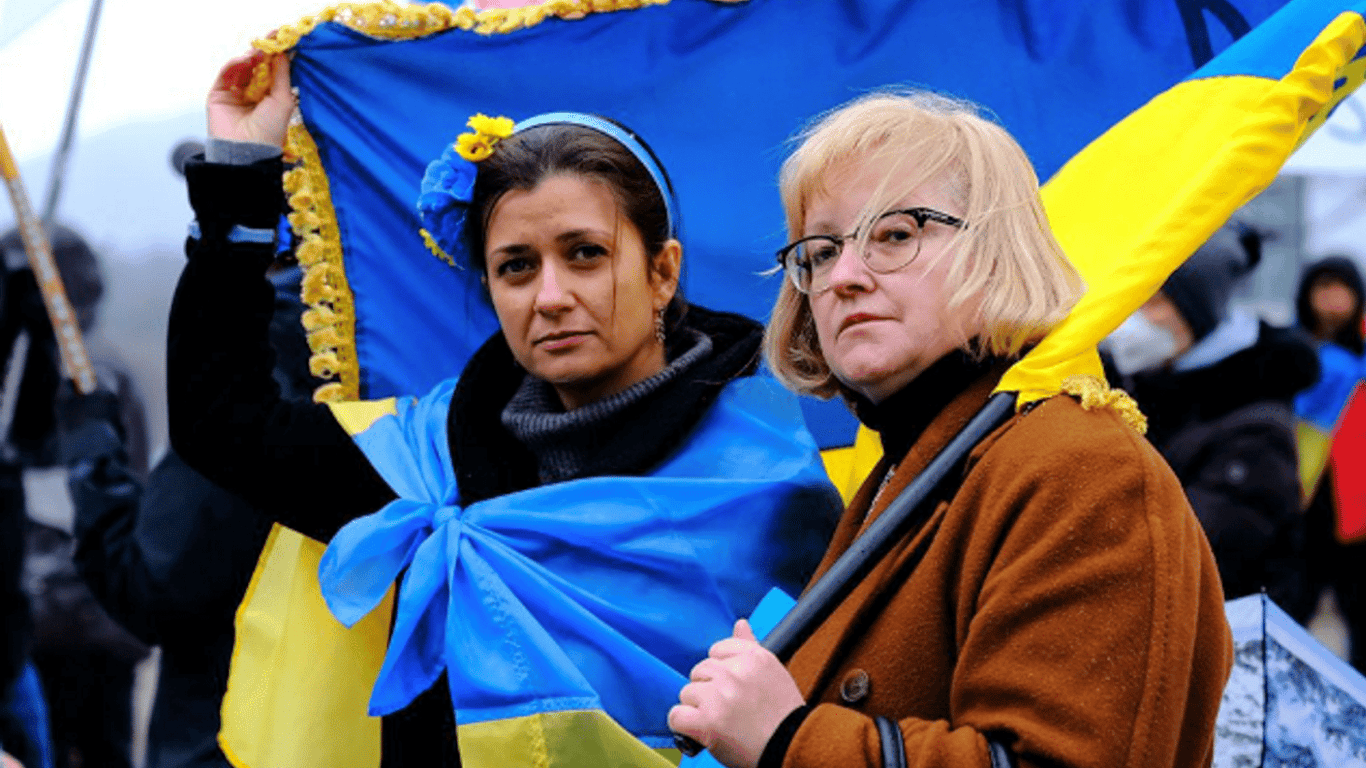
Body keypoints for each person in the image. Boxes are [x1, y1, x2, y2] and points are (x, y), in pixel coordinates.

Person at [165, 51, 841, 767]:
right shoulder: (423, 474)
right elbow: (221, 420)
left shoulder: (761, 493)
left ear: (662, 271)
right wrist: (238, 171)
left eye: (585, 254)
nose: (550, 296)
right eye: (517, 266)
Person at [669, 90, 1233, 768]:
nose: (844, 276)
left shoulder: (1081, 468)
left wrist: (788, 738)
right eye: (821, 250)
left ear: (996, 253)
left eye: (895, 234)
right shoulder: (913, 467)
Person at [55, 253, 310, 768]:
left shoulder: (266, 352)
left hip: (231, 736)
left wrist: (90, 447)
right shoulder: (411, 338)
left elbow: (152, 583)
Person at [1103, 226, 1319, 621]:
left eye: (1155, 302)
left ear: (1198, 313)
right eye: (1134, 299)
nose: (1134, 317)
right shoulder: (1149, 390)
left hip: (1225, 638)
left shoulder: (1257, 429)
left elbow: (1187, 551)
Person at [0, 224, 148, 768]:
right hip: (37, 625)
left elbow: (117, 490)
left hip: (87, 619)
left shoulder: (94, 375)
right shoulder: (26, 372)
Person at [1294, 255, 1366, 673]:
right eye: (1324, 288)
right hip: (1305, 497)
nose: (1334, 299)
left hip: (1356, 504)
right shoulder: (1291, 351)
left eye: (1342, 288)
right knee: (1294, 610)